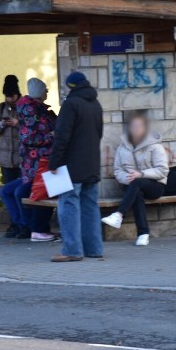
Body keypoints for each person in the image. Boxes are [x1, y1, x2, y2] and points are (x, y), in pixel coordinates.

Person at [48, 71, 104, 262]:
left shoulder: (71, 104)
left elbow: (62, 136)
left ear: (70, 86)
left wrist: (54, 162)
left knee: (68, 205)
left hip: (72, 165)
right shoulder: (95, 104)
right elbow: (99, 133)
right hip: (92, 163)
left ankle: (72, 250)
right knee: (90, 206)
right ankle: (94, 248)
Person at [0, 78, 57, 242]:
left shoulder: (34, 110)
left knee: (18, 191)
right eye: (45, 89)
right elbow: (30, 137)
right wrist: (50, 136)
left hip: (33, 163)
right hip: (40, 163)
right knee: (32, 193)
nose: (47, 92)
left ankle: (29, 227)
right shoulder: (34, 112)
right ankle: (34, 228)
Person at [102, 113, 169, 246]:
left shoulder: (155, 146)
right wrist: (129, 178)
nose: (135, 129)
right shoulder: (123, 147)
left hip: (154, 186)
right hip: (131, 184)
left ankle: (119, 215)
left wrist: (141, 174)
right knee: (136, 192)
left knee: (137, 184)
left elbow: (163, 170)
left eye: (139, 126)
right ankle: (143, 234)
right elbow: (118, 170)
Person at [0, 75, 22, 184]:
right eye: (7, 96)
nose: (10, 99)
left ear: (17, 94)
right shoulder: (1, 107)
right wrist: (2, 124)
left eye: (12, 96)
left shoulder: (25, 106)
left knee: (22, 192)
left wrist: (17, 124)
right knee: (9, 189)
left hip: (22, 159)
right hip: (5, 160)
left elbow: (31, 128)